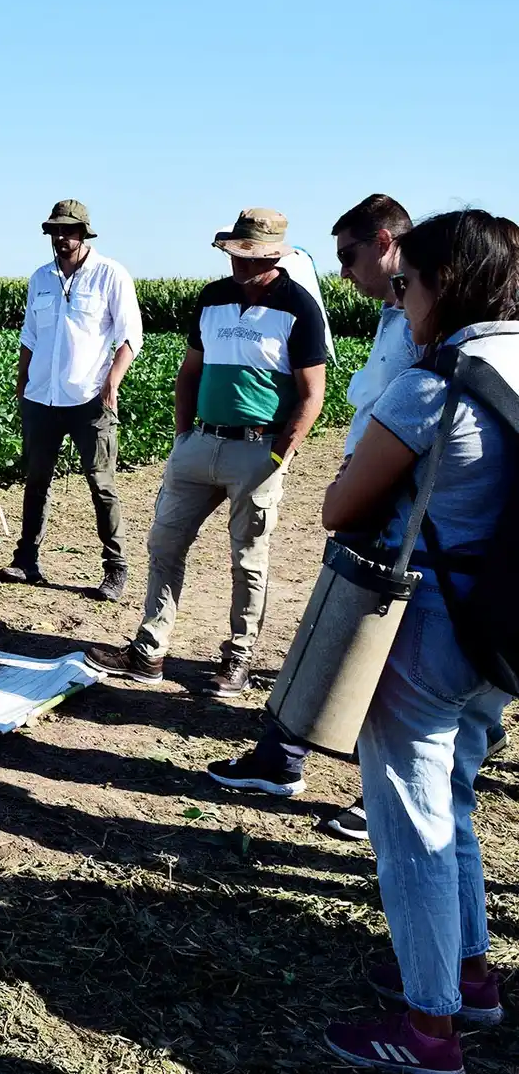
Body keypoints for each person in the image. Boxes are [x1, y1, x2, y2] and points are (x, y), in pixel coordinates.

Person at [318, 208, 519, 1073]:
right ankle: (471, 976)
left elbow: (340, 506)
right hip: (504, 624)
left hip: (430, 621)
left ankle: (427, 1028)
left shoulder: (434, 385)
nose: (400, 302)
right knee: (457, 798)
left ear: (447, 283)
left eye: (406, 285)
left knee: (412, 823)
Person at [206, 195, 420, 840]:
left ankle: (371, 791)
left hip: (395, 504)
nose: (344, 274)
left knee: (389, 653)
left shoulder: (426, 313)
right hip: (369, 488)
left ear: (385, 242)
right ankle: (282, 757)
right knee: (334, 625)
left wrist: (352, 477)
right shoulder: (393, 310)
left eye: (350, 257)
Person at [85, 209, 327, 697]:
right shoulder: (212, 298)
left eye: (250, 255)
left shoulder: (299, 307)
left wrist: (279, 456)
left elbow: (312, 393)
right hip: (200, 444)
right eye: (235, 253)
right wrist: (183, 436)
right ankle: (149, 650)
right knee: (165, 545)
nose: (239, 263)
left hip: (258, 451)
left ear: (274, 256)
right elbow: (190, 372)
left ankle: (238, 657)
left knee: (248, 558)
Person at [0, 200, 143, 601]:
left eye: (69, 231)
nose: (61, 238)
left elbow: (131, 335)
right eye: (55, 232)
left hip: (89, 398)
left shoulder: (110, 274)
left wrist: (112, 381)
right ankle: (26, 558)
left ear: (84, 233)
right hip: (41, 396)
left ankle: (116, 569)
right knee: (37, 479)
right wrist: (22, 380)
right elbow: (30, 334)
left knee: (101, 483)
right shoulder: (41, 278)